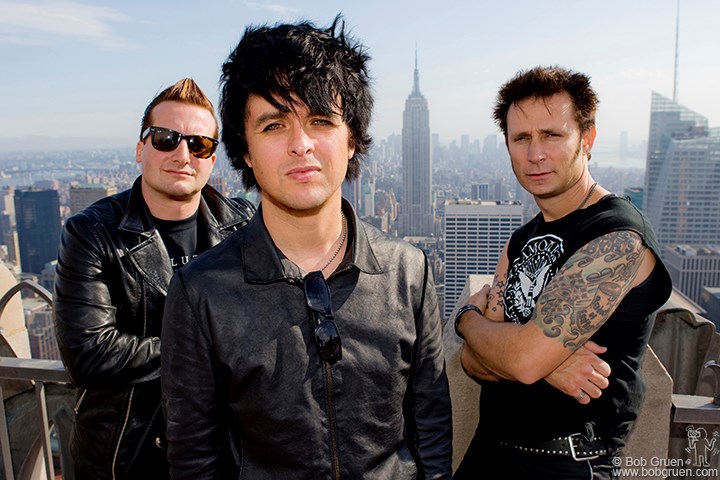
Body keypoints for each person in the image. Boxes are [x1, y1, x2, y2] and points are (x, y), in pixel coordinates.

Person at [160, 17, 452, 479]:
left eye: (320, 120)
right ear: (247, 151)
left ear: (352, 139)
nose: (301, 145)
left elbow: (430, 430)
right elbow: (195, 459)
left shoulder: (406, 272)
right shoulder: (202, 293)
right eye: (274, 126)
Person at [452, 66, 672, 479]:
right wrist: (545, 360)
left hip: (566, 463)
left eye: (551, 135)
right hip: (488, 452)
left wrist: (468, 320)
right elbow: (472, 363)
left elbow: (521, 360)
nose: (535, 154)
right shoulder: (521, 239)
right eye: (521, 138)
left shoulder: (618, 236)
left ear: (587, 139)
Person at [53, 78, 256, 480]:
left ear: (212, 160)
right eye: (166, 138)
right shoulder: (92, 233)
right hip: (128, 457)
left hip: (224, 455)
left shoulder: (244, 225)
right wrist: (206, 349)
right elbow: (89, 354)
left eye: (199, 145)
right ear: (140, 148)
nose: (183, 154)